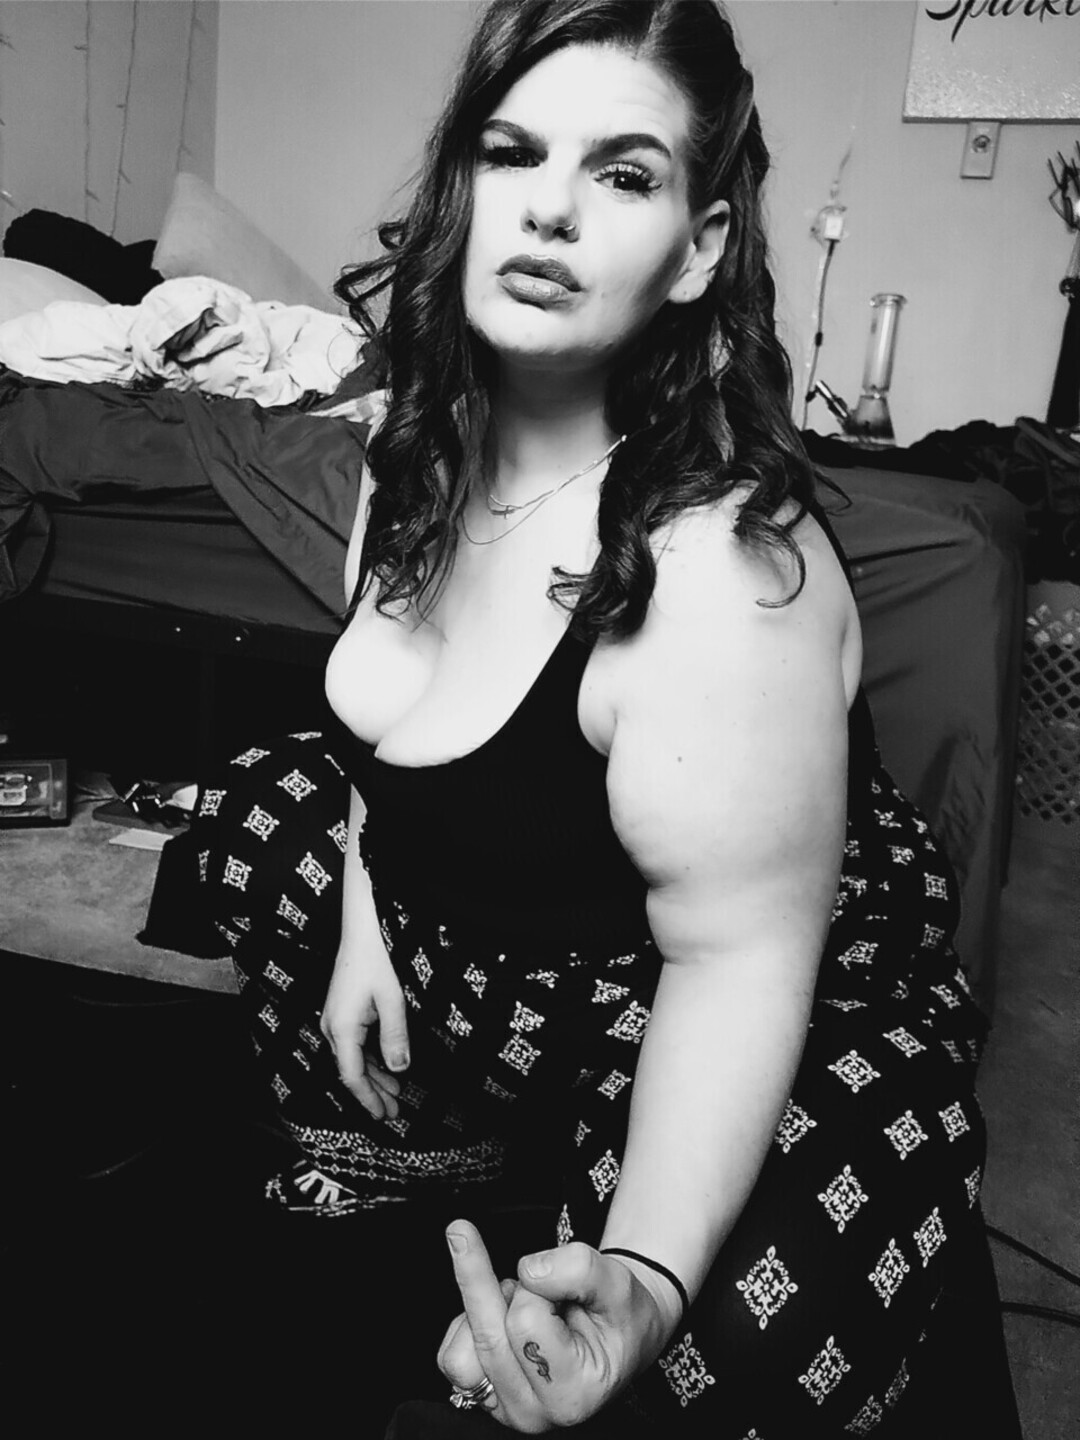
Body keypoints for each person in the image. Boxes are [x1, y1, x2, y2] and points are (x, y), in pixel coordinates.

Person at [190, 2, 993, 1433]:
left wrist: (646, 1282)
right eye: (512, 153)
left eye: (623, 173)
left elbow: (733, 967)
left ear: (698, 248)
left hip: (721, 991)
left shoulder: (725, 576)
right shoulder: (415, 451)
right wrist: (367, 917)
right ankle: (443, 1153)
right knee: (255, 810)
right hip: (511, 937)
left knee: (727, 1343)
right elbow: (383, 735)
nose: (549, 207)